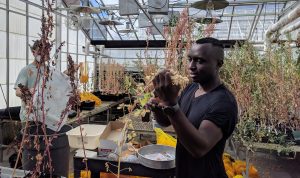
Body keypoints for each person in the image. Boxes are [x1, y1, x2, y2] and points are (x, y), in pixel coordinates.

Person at [147, 37, 238, 178]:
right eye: (190, 59)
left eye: (200, 61)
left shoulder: (223, 102)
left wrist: (172, 105)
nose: (191, 66)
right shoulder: (191, 89)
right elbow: (166, 121)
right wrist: (158, 108)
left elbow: (199, 148)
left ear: (218, 64)